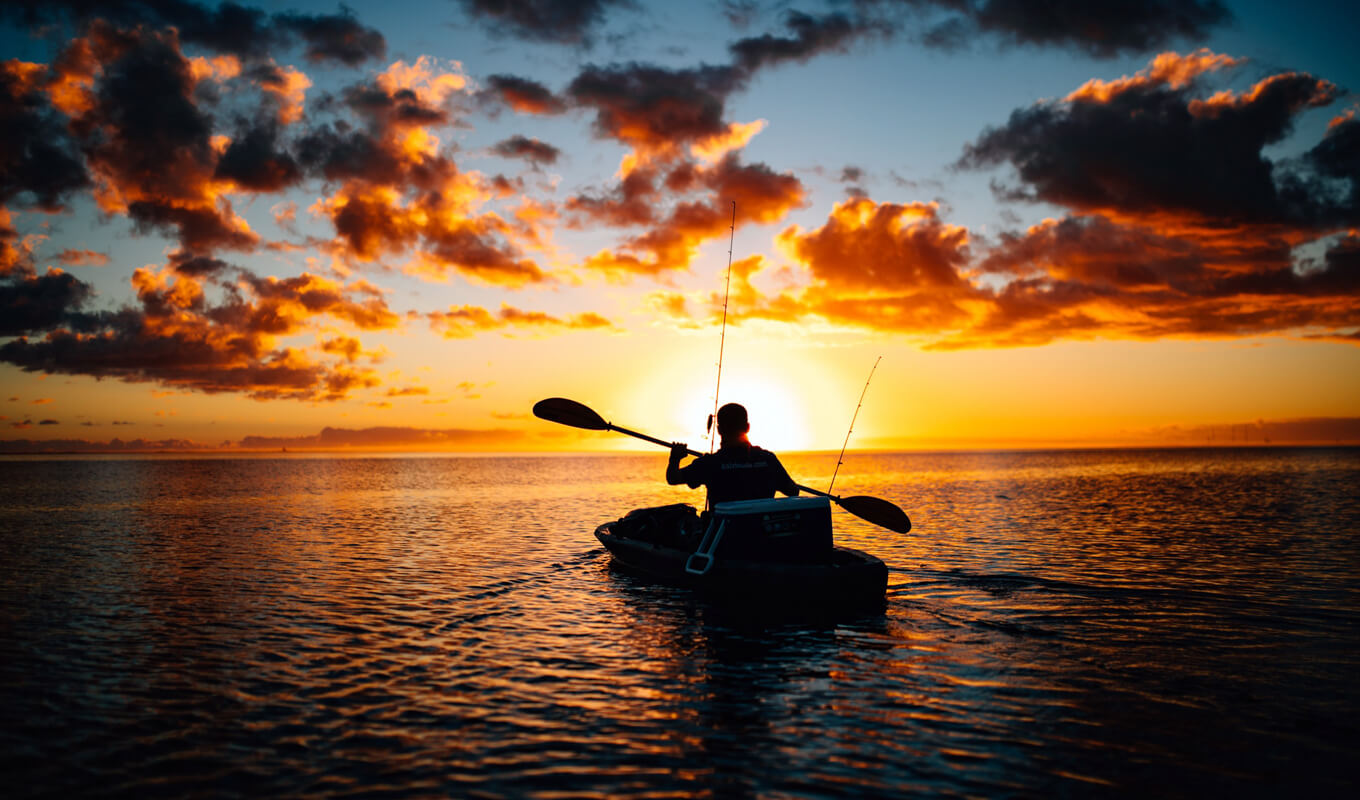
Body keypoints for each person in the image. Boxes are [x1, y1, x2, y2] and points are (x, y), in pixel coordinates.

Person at [666, 402, 799, 508]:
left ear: (719, 430)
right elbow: (793, 491)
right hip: (761, 532)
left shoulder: (709, 463)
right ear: (747, 427)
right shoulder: (768, 459)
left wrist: (675, 458)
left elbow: (673, 478)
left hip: (723, 533)